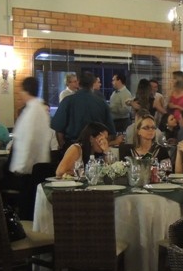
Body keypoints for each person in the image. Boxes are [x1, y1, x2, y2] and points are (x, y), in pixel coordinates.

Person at [9, 77, 53, 219]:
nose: (20, 94)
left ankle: (24, 226)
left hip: (29, 169)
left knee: (27, 205)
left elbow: (27, 142)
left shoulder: (33, 111)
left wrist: (20, 168)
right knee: (30, 203)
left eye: (21, 90)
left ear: (26, 91)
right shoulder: (38, 109)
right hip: (37, 165)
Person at [52, 71, 116, 148]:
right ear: (93, 83)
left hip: (71, 146)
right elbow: (111, 132)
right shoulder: (102, 103)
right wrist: (101, 146)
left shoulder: (67, 101)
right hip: (95, 147)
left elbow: (58, 129)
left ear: (78, 83)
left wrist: (63, 147)